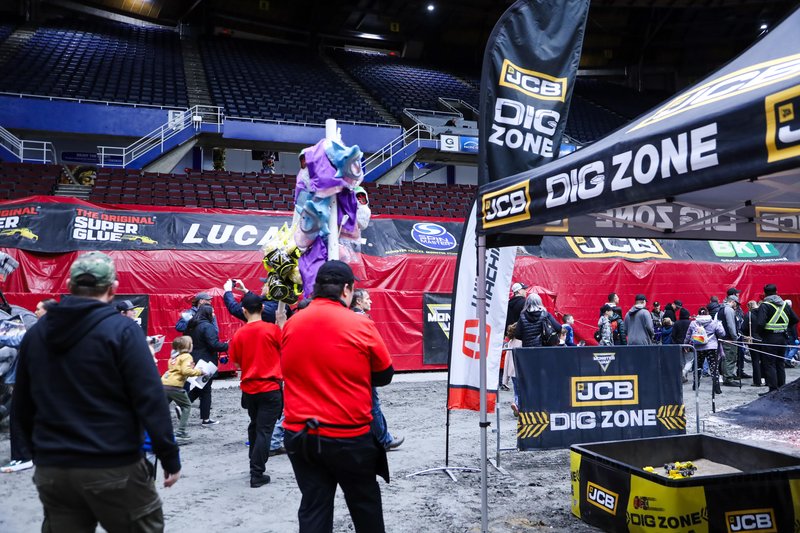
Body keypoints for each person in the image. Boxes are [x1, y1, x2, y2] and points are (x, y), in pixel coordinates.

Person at [11, 252, 180, 531]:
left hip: (54, 467)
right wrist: (169, 455)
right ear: (112, 288)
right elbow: (150, 398)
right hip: (112, 463)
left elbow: (23, 402)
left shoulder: (36, 334)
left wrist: (38, 451)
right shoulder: (123, 330)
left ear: (69, 285)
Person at [282, 260, 394, 533]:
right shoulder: (360, 325)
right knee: (364, 505)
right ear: (347, 289)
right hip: (349, 436)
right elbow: (384, 374)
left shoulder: (291, 325)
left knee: (314, 507)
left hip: (301, 436)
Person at [229, 293, 283, 488]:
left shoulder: (239, 334)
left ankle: (254, 463)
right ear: (262, 309)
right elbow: (287, 347)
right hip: (270, 387)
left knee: (255, 425)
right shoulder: (273, 330)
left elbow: (236, 363)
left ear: (244, 310)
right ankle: (257, 472)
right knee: (264, 430)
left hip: (250, 388)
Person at [351, 288, 403, 451]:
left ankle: (378, 437)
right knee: (373, 403)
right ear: (358, 301)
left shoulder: (350, 317)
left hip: (355, 368)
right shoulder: (362, 320)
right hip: (365, 369)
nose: (370, 301)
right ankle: (383, 439)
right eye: (367, 298)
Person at [0, 298, 42, 473]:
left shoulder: (32, 328)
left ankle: (23, 457)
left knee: (20, 415)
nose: (37, 310)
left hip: (27, 380)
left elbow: (14, 338)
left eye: (40, 308)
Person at [186, 304, 228, 425]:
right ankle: (204, 418)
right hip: (206, 361)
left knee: (201, 387)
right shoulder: (208, 327)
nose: (214, 314)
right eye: (213, 312)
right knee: (205, 389)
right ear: (208, 314)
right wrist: (227, 345)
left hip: (194, 358)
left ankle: (187, 407)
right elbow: (214, 344)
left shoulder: (191, 325)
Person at [753, 284, 799, 394]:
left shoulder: (765, 305)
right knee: (780, 363)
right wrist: (784, 327)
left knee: (770, 364)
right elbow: (795, 319)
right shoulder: (784, 305)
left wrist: (759, 333)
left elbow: (760, 323)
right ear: (777, 292)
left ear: (764, 293)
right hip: (783, 338)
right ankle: (782, 389)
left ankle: (773, 391)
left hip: (769, 338)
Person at [162, 336, 205, 443]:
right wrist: (199, 371)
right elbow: (186, 371)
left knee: (161, 409)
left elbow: (177, 369)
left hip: (164, 384)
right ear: (188, 346)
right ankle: (181, 432)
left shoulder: (174, 357)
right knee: (186, 406)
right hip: (175, 386)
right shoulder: (187, 356)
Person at [684, 307, 726, 394]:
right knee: (714, 367)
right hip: (712, 347)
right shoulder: (714, 322)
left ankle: (696, 385)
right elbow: (722, 333)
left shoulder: (693, 323)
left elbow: (688, 335)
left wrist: (686, 344)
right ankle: (716, 387)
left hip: (698, 347)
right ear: (708, 313)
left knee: (698, 366)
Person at [716, 294, 741, 387]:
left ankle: (725, 376)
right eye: (736, 303)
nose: (737, 306)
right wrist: (735, 337)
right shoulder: (729, 310)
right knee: (730, 358)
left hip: (723, 337)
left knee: (725, 358)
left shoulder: (721, 309)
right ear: (733, 301)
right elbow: (731, 325)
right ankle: (728, 378)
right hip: (729, 338)